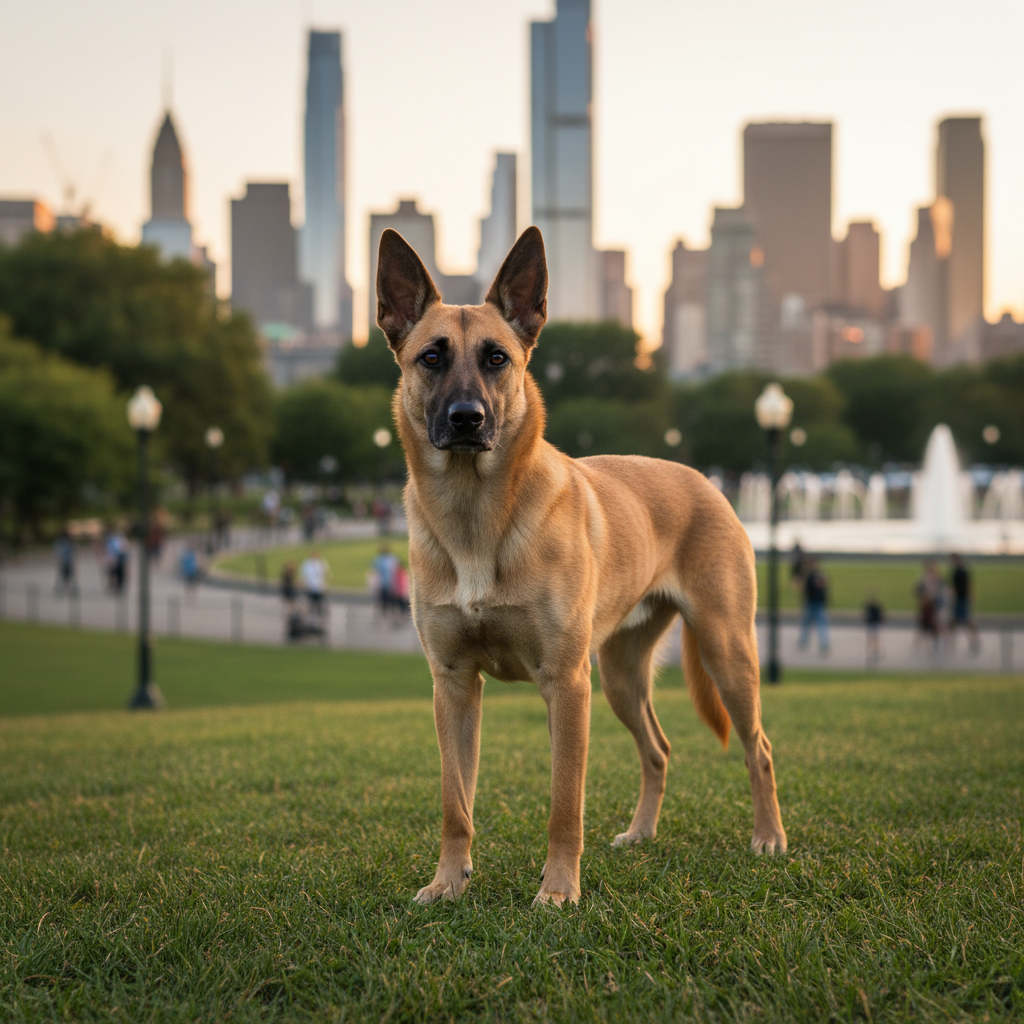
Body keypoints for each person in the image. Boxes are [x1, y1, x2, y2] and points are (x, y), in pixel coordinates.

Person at [948, 553, 980, 653]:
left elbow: (955, 587)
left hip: (960, 600)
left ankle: (971, 641)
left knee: (964, 621)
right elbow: (968, 585)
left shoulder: (958, 572)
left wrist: (951, 598)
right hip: (962, 599)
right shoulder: (963, 571)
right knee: (957, 621)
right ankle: (952, 643)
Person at [798, 557, 830, 654]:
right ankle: (822, 643)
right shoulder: (820, 576)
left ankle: (805, 641)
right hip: (817, 603)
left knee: (808, 624)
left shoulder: (810, 576)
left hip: (812, 603)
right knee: (819, 624)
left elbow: (805, 589)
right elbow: (824, 589)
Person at [914, 559, 944, 649]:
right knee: (925, 625)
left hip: (935, 605)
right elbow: (917, 591)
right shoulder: (923, 580)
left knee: (934, 624)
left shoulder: (938, 579)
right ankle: (921, 644)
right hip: (927, 606)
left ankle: (935, 642)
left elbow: (942, 592)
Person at [371, 544, 399, 615]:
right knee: (388, 600)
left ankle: (385, 612)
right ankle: (387, 613)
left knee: (385, 600)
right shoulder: (392, 558)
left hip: (385, 583)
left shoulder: (379, 559)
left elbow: (375, 571)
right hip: (389, 583)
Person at [300, 551, 329, 616]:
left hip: (319, 587)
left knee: (319, 602)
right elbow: (303, 574)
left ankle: (319, 615)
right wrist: (303, 583)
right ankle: (310, 615)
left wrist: (325, 584)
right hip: (310, 586)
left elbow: (325, 574)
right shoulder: (307, 564)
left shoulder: (321, 563)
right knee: (310, 602)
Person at [54, 528, 77, 596]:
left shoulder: (62, 542)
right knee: (66, 576)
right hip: (66, 561)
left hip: (65, 561)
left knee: (65, 576)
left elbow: (57, 552)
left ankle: (66, 589)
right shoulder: (68, 542)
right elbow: (74, 552)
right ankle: (66, 589)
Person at [864, 592, 884, 667]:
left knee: (874, 639)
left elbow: (867, 617)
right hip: (873, 625)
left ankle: (875, 652)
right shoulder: (874, 607)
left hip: (873, 625)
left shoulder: (871, 608)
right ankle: (872, 652)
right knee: (873, 639)